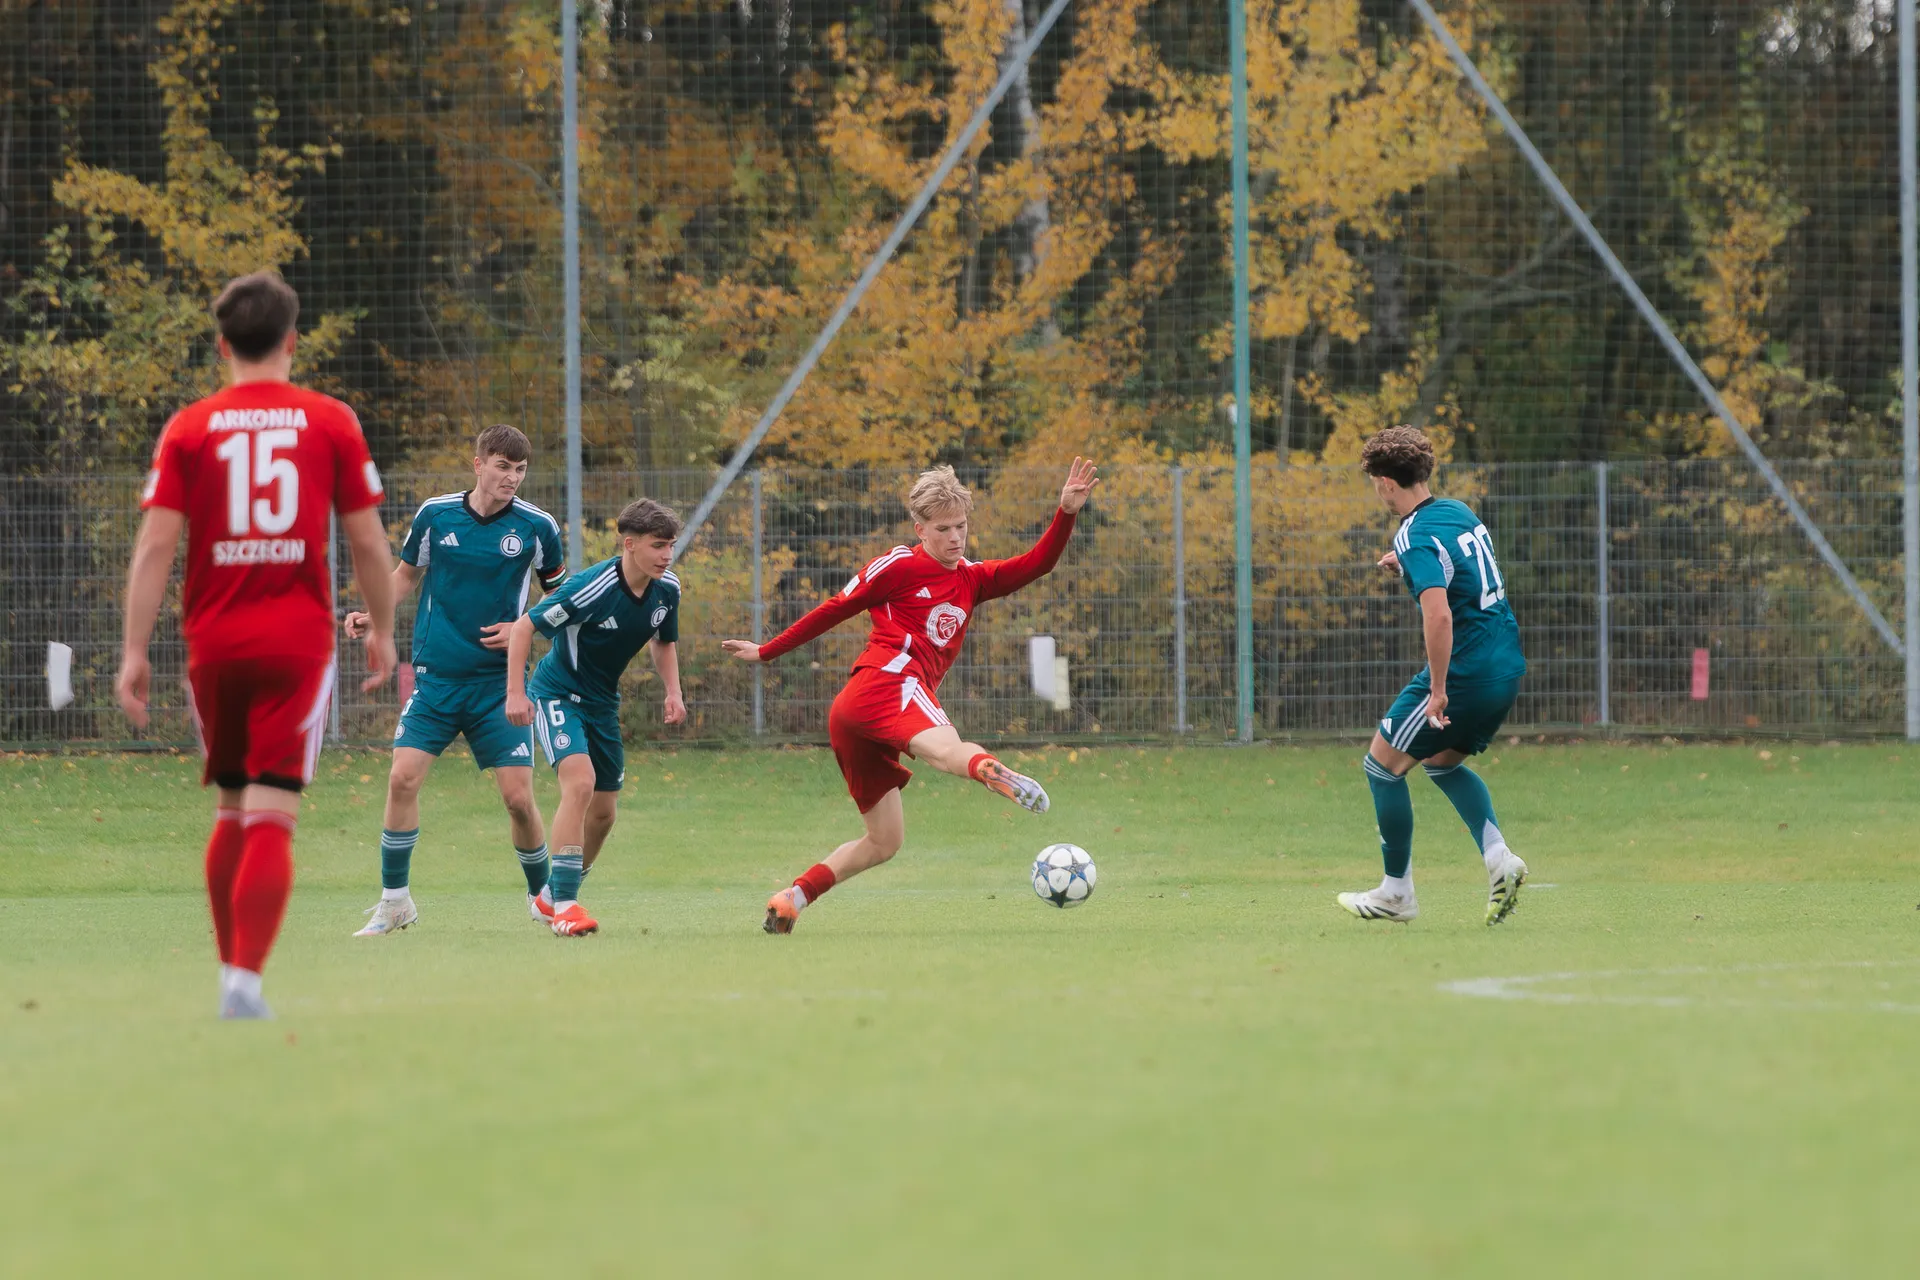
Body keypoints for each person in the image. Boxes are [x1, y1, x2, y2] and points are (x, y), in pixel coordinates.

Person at [117, 271, 397, 1019]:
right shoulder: (329, 420)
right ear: (292, 340)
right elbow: (367, 540)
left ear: (222, 345)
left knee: (232, 806)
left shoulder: (190, 426)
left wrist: (133, 651)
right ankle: (243, 984)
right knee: (274, 810)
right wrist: (386, 629)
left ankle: (228, 972)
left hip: (214, 644)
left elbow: (154, 547)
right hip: (296, 644)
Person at [723, 459, 1099, 935]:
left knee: (884, 841)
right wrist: (767, 652)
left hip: (861, 712)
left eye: (961, 526)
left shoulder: (973, 578)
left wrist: (1065, 513)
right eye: (942, 529)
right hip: (886, 684)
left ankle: (792, 897)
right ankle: (988, 769)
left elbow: (1037, 564)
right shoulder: (898, 564)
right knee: (947, 750)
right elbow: (835, 608)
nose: (955, 537)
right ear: (919, 529)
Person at [343, 424, 567, 936]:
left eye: (520, 469)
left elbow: (560, 601)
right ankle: (395, 902)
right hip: (437, 682)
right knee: (401, 780)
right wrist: (374, 618)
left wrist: (523, 627)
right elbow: (404, 577)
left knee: (518, 799)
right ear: (478, 464)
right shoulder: (434, 515)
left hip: (498, 687)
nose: (512, 478)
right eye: (503, 466)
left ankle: (542, 895)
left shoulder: (538, 528)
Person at [1337, 426, 1529, 926]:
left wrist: (1438, 691)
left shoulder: (1413, 533)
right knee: (1442, 763)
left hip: (1464, 672)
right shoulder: (1456, 513)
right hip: (1504, 664)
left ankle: (1396, 893)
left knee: (1382, 765)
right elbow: (1460, 571)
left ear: (1384, 483)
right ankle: (1499, 860)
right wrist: (1407, 566)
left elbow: (1440, 615)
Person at [504, 499, 688, 937]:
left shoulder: (668, 589)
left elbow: (663, 640)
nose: (667, 555)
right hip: (555, 694)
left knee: (604, 814)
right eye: (658, 545)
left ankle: (553, 893)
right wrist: (515, 694)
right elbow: (525, 628)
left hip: (602, 703)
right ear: (629, 544)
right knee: (580, 783)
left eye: (671, 546)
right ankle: (565, 906)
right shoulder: (591, 588)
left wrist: (674, 691)